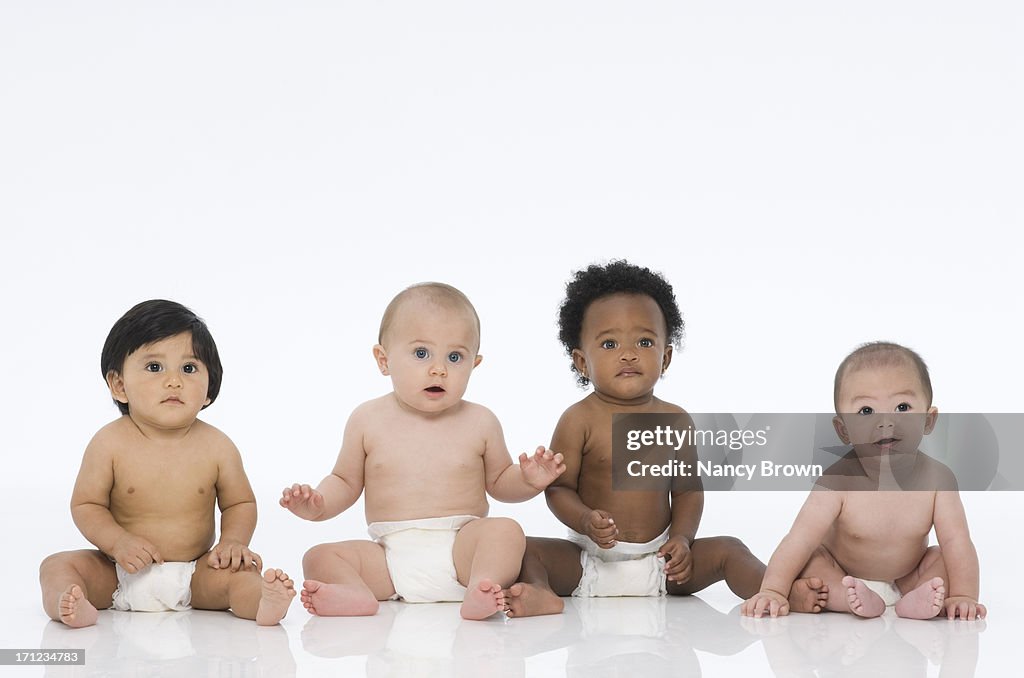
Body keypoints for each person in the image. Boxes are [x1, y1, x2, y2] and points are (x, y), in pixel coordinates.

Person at [280, 283, 565, 620]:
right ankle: (358, 594)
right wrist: (318, 505)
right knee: (318, 557)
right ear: (383, 360)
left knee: (505, 531)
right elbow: (344, 480)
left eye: (455, 357)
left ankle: (482, 587)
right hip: (389, 558)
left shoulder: (480, 421)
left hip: (463, 548)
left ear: (474, 364)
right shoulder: (367, 420)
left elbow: (501, 482)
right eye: (421, 353)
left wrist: (529, 480)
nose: (439, 369)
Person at [506, 260, 765, 618]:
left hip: (663, 565)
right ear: (582, 362)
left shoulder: (675, 419)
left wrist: (683, 540)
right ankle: (539, 591)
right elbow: (558, 489)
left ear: (666, 357)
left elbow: (688, 490)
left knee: (731, 550)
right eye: (609, 343)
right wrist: (584, 521)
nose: (628, 354)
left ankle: (779, 589)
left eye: (644, 341)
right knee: (520, 549)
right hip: (588, 562)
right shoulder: (579, 418)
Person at [39, 300, 295, 628]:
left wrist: (233, 543)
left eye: (189, 369)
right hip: (117, 571)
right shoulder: (109, 443)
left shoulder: (217, 446)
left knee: (239, 576)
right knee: (57, 566)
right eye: (155, 367)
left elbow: (240, 502)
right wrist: (118, 543)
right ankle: (73, 603)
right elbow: (87, 504)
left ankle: (264, 602)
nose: (174, 381)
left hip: (195, 573)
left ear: (208, 391)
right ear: (119, 386)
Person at [742, 342, 986, 620]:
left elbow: (958, 541)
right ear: (843, 429)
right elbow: (799, 540)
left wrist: (964, 596)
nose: (885, 421)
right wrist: (773, 590)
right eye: (866, 411)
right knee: (813, 561)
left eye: (902, 407)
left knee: (943, 558)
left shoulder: (938, 480)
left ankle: (916, 598)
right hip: (843, 573)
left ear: (928, 420)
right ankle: (847, 598)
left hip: (909, 574)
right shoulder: (836, 481)